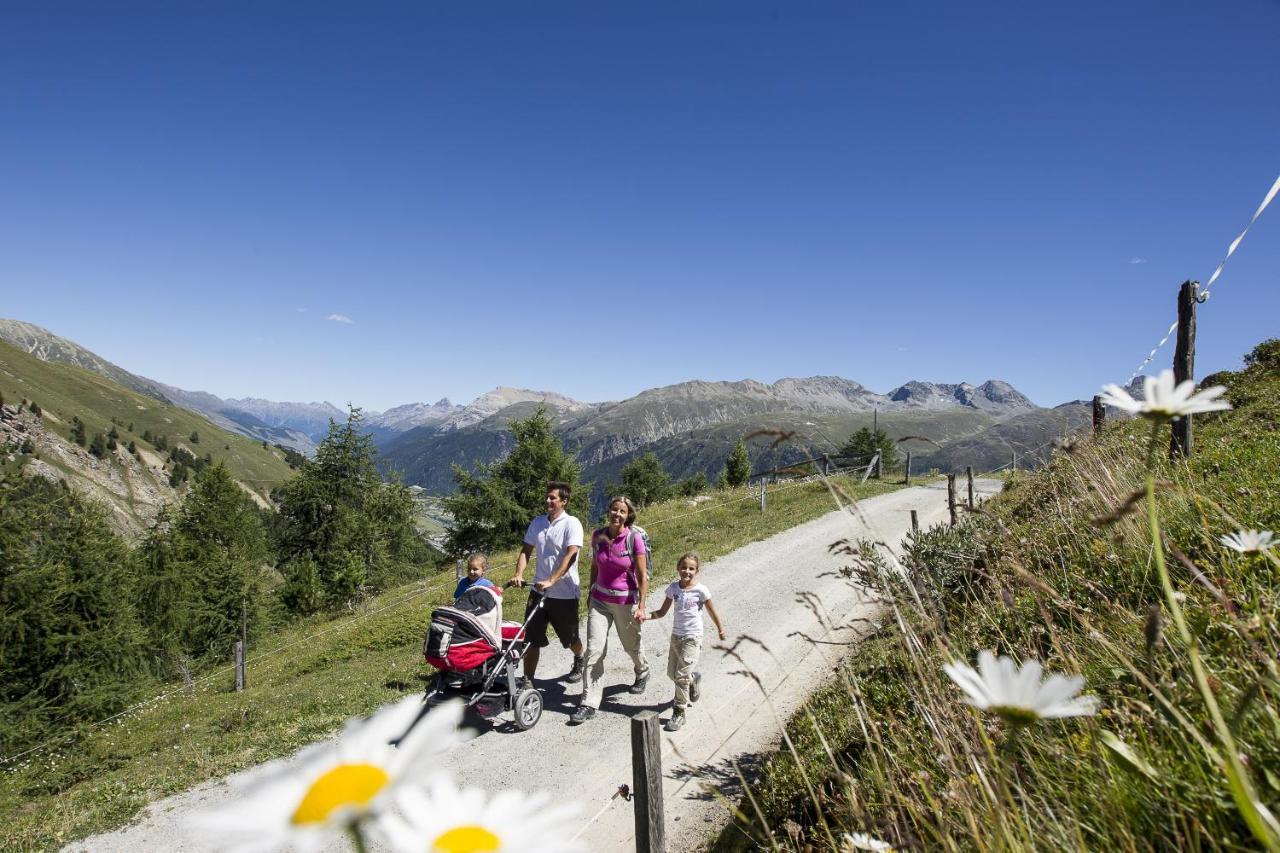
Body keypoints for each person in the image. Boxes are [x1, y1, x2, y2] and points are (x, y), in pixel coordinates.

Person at [569, 496, 650, 724]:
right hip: (600, 600)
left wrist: (642, 606)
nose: (617, 514)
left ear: (628, 515)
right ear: (609, 510)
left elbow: (643, 576)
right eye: (614, 509)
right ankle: (589, 702)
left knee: (631, 645)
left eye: (622, 511)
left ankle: (642, 670)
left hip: (625, 601)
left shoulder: (633, 539)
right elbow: (595, 565)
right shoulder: (598, 535)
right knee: (594, 650)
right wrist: (590, 592)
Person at [510, 481, 585, 688]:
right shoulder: (537, 523)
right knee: (531, 638)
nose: (548, 501)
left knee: (569, 639)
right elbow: (526, 550)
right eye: (547, 497)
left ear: (564, 501)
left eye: (553, 498)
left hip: (564, 594)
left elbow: (571, 555)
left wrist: (552, 580)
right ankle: (528, 679)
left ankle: (580, 657)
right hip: (538, 591)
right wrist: (519, 573)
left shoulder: (572, 524)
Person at [647, 553, 726, 732]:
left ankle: (679, 712)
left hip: (693, 637)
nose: (687, 571)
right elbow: (662, 611)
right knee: (672, 674)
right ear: (678, 568)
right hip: (676, 636)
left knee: (680, 676)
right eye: (684, 567)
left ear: (697, 571)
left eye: (691, 568)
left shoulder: (701, 591)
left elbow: (712, 611)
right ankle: (693, 680)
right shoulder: (674, 588)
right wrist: (646, 616)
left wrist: (720, 628)